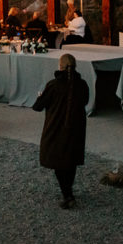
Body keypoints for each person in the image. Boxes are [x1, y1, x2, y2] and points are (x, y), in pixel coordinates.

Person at [32, 53, 89, 209]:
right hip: (75, 127)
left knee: (58, 160)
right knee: (70, 160)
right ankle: (68, 191)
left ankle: (67, 194)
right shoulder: (82, 84)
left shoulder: (53, 85)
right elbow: (85, 101)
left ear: (60, 66)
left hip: (57, 127)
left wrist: (39, 97)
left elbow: (38, 106)